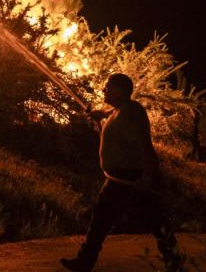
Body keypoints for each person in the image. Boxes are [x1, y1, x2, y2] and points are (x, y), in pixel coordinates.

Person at [61, 73, 182, 271]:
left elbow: (145, 147)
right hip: (119, 178)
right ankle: (85, 261)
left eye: (107, 87)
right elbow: (116, 113)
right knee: (101, 219)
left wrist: (147, 178)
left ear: (119, 91)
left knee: (155, 221)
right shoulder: (121, 109)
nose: (103, 90)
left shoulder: (131, 113)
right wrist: (101, 113)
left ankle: (175, 262)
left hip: (131, 178)